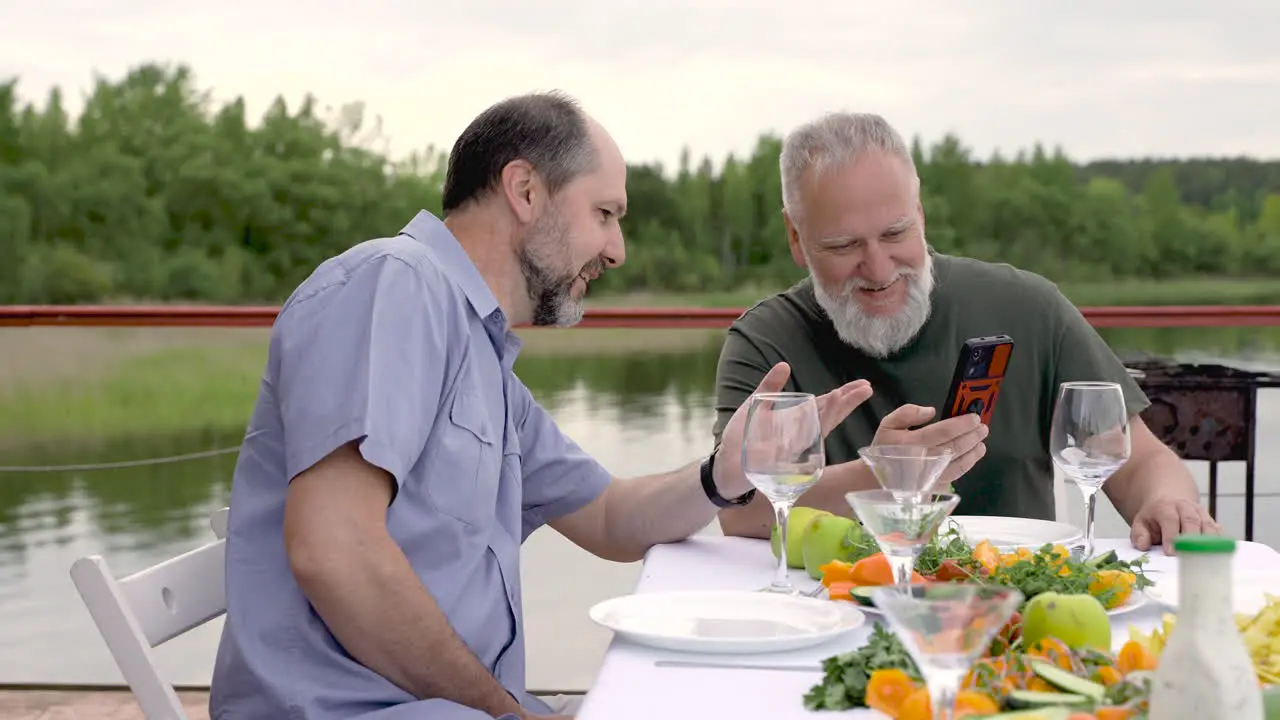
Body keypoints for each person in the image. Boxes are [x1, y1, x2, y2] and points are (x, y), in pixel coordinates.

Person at [208, 91, 872, 720]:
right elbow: (335, 550)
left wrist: (726, 473)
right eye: (604, 215)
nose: (616, 250)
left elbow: (612, 518)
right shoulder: (396, 285)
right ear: (525, 190)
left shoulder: (483, 361)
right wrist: (509, 710)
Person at [711, 110, 1218, 555]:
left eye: (895, 233)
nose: (879, 267)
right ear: (796, 239)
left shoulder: (1029, 307)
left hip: (1023, 608)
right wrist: (888, 476)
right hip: (831, 608)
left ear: (921, 215)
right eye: (844, 245)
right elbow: (740, 513)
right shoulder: (766, 341)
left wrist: (1167, 503)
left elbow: (1141, 459)